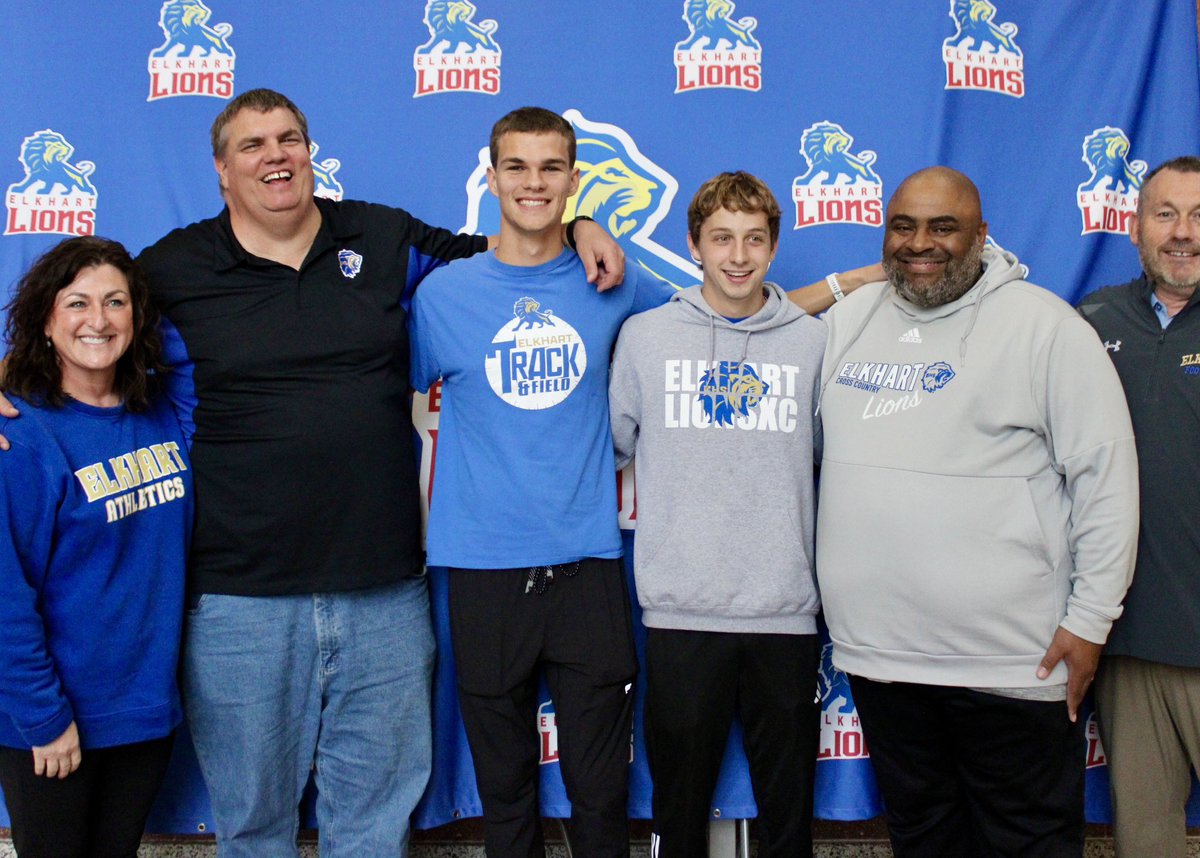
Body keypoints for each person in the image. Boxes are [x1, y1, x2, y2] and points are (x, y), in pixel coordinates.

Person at [815, 166, 1139, 856]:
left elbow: (1106, 477)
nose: (919, 243)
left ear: (981, 235)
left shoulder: (1046, 327)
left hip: (1013, 666)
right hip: (883, 659)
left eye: (942, 227)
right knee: (924, 836)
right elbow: (740, 316)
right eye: (903, 226)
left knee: (1028, 841)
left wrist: (1090, 619)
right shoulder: (848, 322)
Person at [408, 106, 676, 858]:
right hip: (483, 569)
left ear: (572, 178)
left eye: (551, 167)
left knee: (601, 797)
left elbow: (713, 319)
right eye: (517, 167)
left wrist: (845, 292)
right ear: (491, 178)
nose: (534, 182)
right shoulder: (443, 297)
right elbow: (371, 396)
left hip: (587, 562)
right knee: (506, 795)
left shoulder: (614, 282)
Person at [608, 171, 826, 857]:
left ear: (773, 246)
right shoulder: (644, 338)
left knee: (788, 822)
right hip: (682, 614)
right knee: (679, 816)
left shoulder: (814, 343)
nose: (738, 256)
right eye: (722, 238)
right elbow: (611, 447)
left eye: (754, 239)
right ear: (694, 244)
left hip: (783, 612)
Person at [0, 236, 192, 857]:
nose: (98, 320)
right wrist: (43, 718)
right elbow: (4, 593)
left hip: (143, 709)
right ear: (46, 319)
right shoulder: (21, 438)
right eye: (77, 303)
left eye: (116, 302)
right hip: (53, 719)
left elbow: (204, 349)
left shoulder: (161, 411)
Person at [1076, 155, 1200, 858]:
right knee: (1144, 845)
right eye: (1166, 214)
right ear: (1133, 228)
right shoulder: (1090, 322)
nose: (1183, 233)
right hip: (1127, 645)